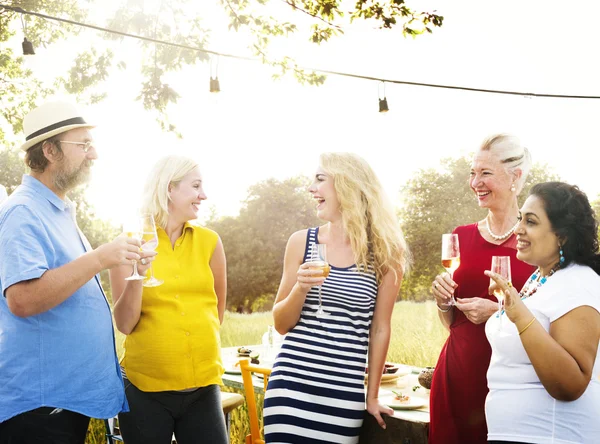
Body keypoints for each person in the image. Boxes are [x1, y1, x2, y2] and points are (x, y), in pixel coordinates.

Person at [0, 101, 142, 443]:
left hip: (59, 402)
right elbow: (22, 299)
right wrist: (100, 258)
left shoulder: (56, 211)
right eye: (83, 145)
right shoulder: (22, 211)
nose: (93, 155)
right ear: (49, 150)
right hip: (38, 407)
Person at [263, 152, 410, 443]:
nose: (310, 188)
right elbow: (280, 324)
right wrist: (300, 288)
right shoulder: (301, 242)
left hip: (342, 394)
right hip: (290, 387)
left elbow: (380, 328)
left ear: (346, 185)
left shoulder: (386, 255)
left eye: (320, 179)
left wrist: (373, 396)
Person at [109, 155, 228, 444]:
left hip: (203, 388)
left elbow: (217, 310)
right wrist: (139, 274)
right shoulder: (129, 244)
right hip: (144, 390)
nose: (204, 195)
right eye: (196, 186)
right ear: (169, 189)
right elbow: (124, 323)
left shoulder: (210, 242)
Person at [429, 134, 536, 444]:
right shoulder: (460, 237)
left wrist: (499, 312)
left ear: (515, 176)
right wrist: (443, 303)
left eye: (485, 173)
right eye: (473, 172)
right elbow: (452, 323)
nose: (475, 181)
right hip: (457, 376)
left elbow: (552, 318)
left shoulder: (537, 242)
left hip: (515, 385)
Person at [486, 182, 600, 443]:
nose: (518, 229)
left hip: (551, 436)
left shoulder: (579, 282)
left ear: (562, 236)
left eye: (531, 222)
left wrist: (520, 315)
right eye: (520, 219)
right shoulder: (540, 278)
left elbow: (570, 384)